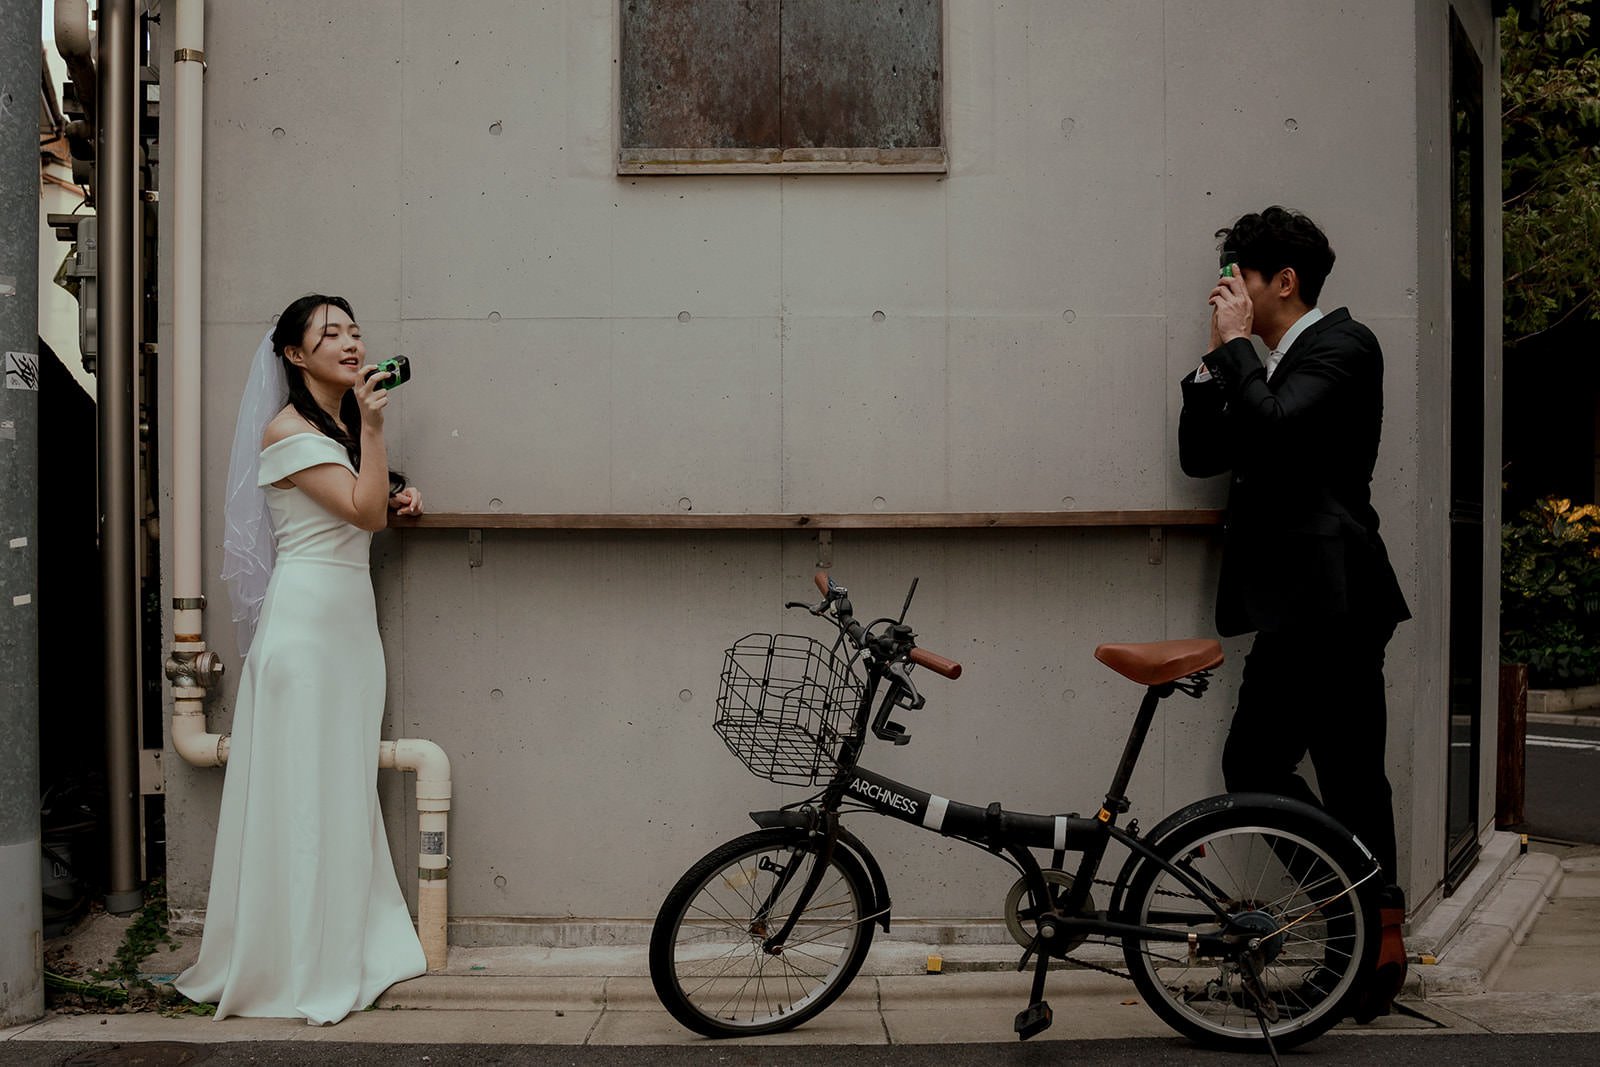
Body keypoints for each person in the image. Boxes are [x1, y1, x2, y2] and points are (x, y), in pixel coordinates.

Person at [1177, 207, 1411, 1019]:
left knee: (1351, 776)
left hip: (1339, 600)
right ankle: (1356, 924)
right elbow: (1202, 456)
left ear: (1284, 281)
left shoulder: (1345, 346)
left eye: (1239, 277)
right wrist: (1215, 361)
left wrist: (1238, 349)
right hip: (1290, 606)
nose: (1227, 292)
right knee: (1253, 764)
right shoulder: (1258, 362)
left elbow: (1275, 433)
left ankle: (1372, 949)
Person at [175, 295, 427, 1024]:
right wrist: (375, 436)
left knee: (338, 784)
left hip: (347, 626)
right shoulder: (286, 429)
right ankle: (294, 961)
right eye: (331, 334)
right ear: (294, 354)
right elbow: (360, 511)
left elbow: (368, 502)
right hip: (307, 629)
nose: (351, 344)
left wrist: (400, 490)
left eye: (354, 331)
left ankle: (338, 939)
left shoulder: (335, 427)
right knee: (304, 792)